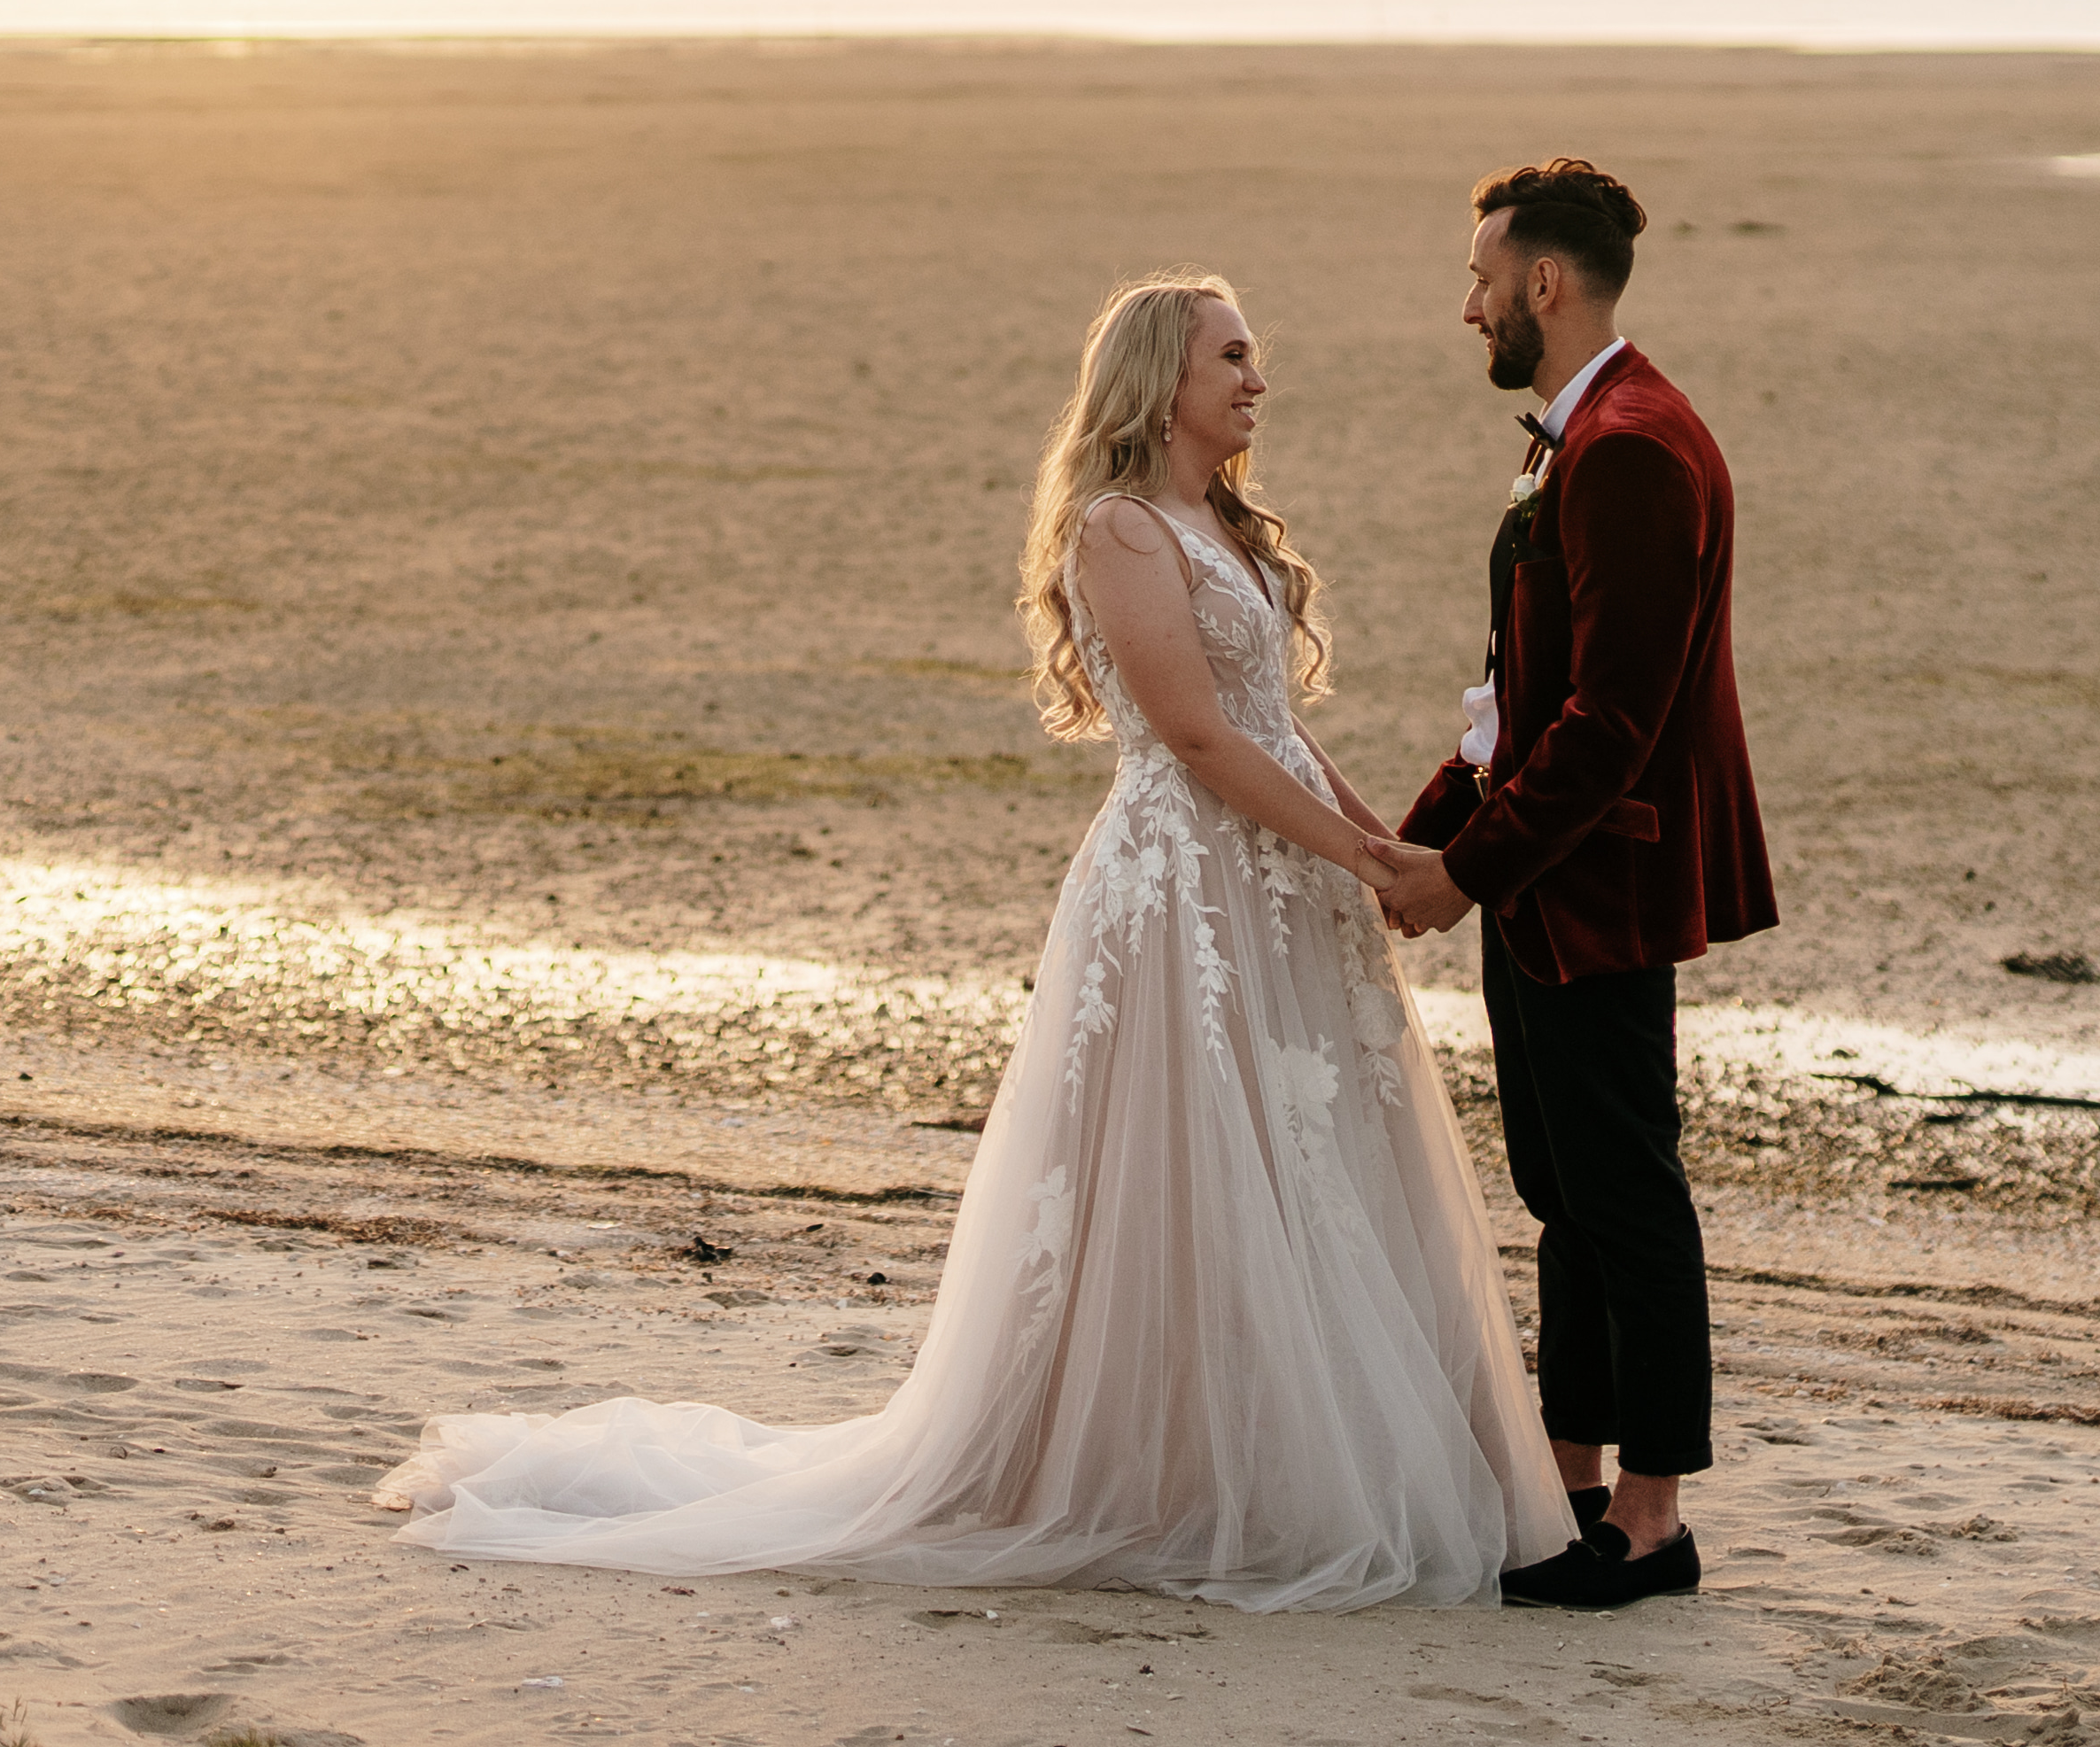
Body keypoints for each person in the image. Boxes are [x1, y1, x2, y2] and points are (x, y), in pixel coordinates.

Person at [380, 273, 1571, 1608]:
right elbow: (1193, 735)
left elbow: (1278, 730)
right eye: (1231, 357)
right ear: (1158, 379)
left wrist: (1390, 849)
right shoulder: (1122, 530)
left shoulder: (1218, 519)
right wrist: (1359, 855)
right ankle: (1174, 1472)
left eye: (1257, 358)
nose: (1256, 379)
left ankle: (1277, 1453)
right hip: (1184, 893)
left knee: (1305, 1163)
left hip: (1275, 887)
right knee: (1186, 1174)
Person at [1367, 157, 1778, 1611]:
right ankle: (1572, 1487)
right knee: (1565, 1192)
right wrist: (1405, 845)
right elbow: (1513, 702)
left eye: (1482, 277)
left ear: (1545, 282)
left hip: (1592, 885)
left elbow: (1610, 724)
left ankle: (1652, 1526)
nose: (1467, 303)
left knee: (1625, 1194)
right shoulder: (1584, 434)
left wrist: (1460, 872)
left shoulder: (1630, 448)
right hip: (1543, 879)